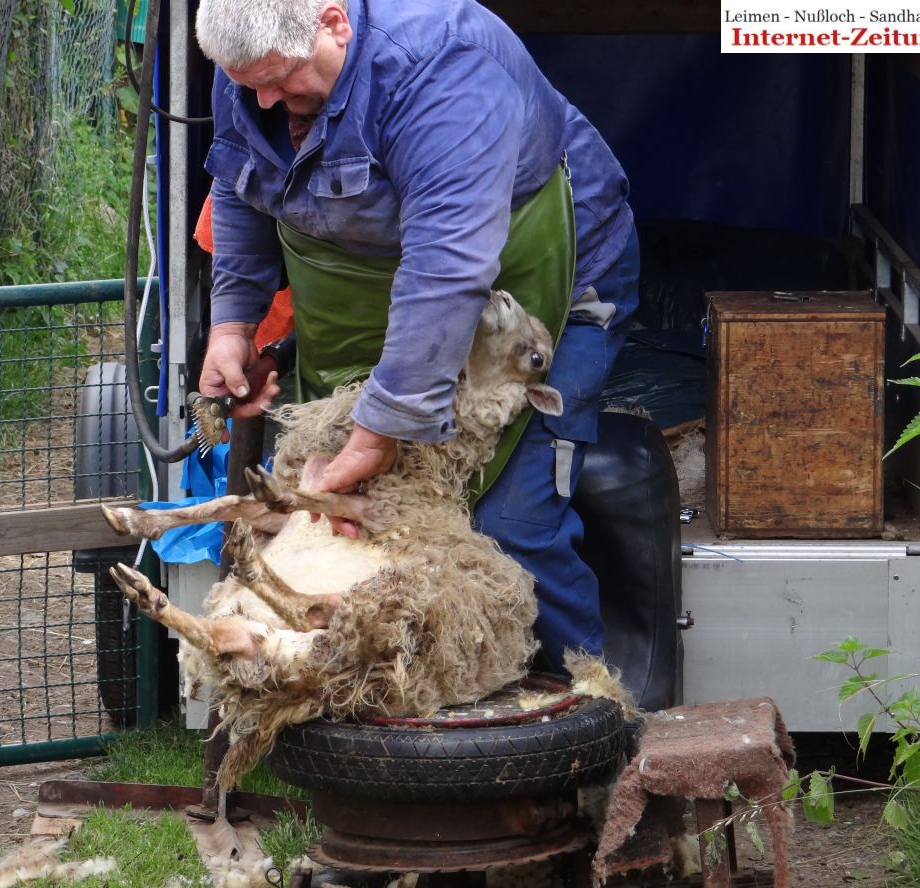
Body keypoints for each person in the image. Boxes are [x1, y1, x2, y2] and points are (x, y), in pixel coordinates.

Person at [194, 0, 639, 672]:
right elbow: (239, 181)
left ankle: (584, 720)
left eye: (280, 80)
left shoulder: (445, 69)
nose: (262, 99)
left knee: (509, 524)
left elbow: (449, 266)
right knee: (362, 521)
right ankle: (404, 724)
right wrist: (234, 323)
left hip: (532, 295)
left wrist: (378, 433)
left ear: (334, 23)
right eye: (247, 83)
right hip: (388, 296)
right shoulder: (258, 66)